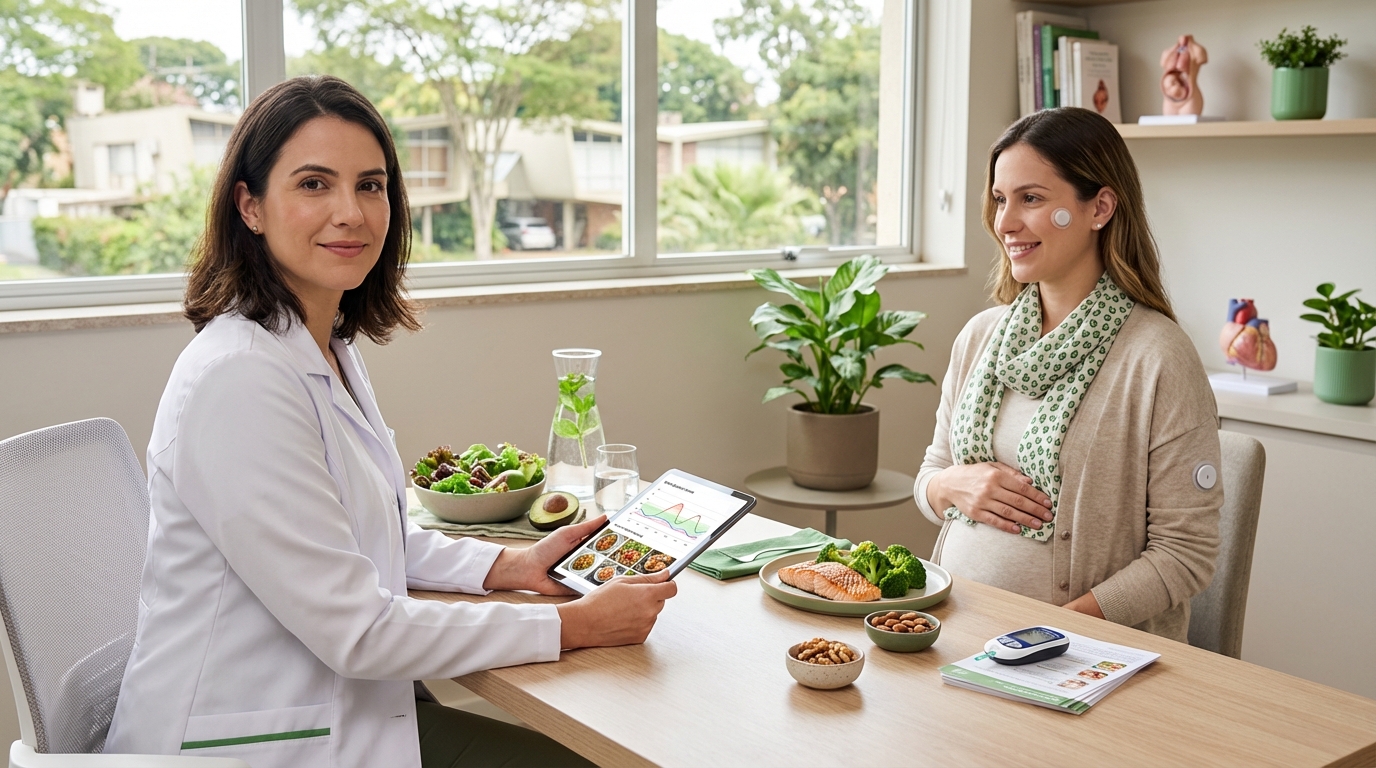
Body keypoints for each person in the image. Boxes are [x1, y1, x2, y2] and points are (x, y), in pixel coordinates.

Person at [105, 76, 676, 768]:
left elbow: (370, 541)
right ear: (249, 205)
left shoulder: (325, 346)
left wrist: (511, 564)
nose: (351, 212)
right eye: (314, 184)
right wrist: (573, 625)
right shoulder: (238, 379)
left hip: (335, 708)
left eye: (370, 185)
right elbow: (359, 631)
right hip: (245, 744)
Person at [914, 107, 1221, 642]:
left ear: (1100, 206)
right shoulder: (979, 338)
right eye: (1000, 200)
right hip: (955, 630)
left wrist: (1052, 632)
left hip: (1079, 657)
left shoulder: (1159, 359)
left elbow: (1186, 554)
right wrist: (950, 485)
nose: (1005, 223)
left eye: (1031, 199)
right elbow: (930, 479)